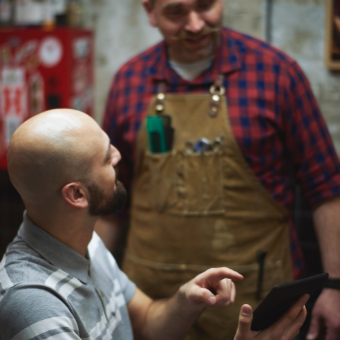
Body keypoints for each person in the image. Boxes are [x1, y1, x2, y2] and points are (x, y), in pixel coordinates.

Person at [101, 0, 340, 339]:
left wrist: (335, 286)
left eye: (205, 6)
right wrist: (88, 282)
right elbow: (109, 203)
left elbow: (327, 187)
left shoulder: (276, 73)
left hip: (258, 308)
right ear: (150, 12)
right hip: (150, 305)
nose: (196, 24)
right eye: (175, 12)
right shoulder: (129, 82)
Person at [0, 109, 308, 340]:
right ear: (77, 194)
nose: (119, 157)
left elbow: (146, 321)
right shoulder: (33, 303)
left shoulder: (87, 243)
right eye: (107, 159)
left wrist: (187, 299)